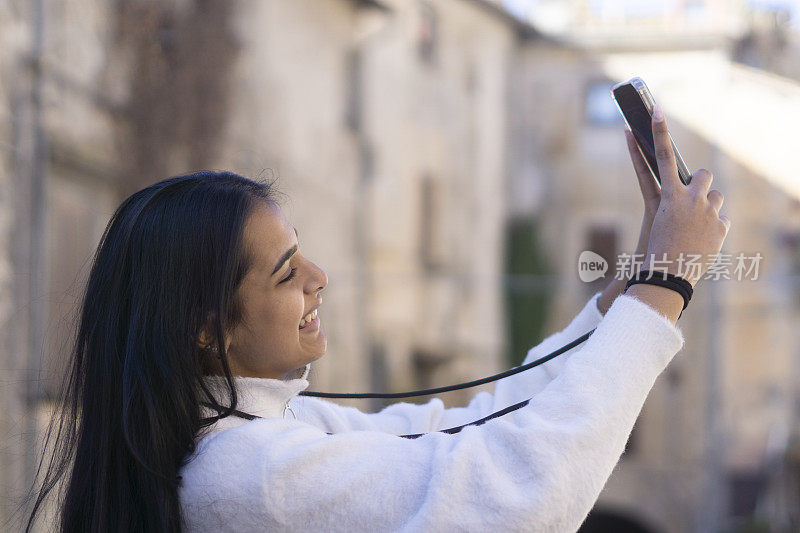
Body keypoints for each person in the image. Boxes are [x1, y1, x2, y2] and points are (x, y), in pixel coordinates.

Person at [24, 106, 729, 532]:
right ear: (208, 328)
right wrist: (665, 285)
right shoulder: (249, 472)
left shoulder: (266, 433)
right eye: (286, 271)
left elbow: (472, 428)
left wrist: (636, 282)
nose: (319, 277)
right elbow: (510, 494)